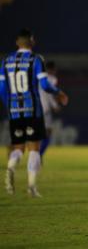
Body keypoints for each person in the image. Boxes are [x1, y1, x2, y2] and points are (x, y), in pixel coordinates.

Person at [0, 28, 69, 197]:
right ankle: (31, 186)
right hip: (33, 109)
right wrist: (59, 92)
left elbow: (1, 88)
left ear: (17, 42)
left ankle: (10, 168)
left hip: (14, 109)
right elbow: (45, 85)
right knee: (34, 149)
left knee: (18, 147)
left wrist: (8, 105)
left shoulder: (6, 60)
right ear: (32, 42)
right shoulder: (36, 59)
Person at [39, 61, 60, 159]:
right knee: (48, 132)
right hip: (45, 108)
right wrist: (55, 105)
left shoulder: (38, 77)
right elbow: (49, 94)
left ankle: (37, 154)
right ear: (52, 69)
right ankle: (39, 154)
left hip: (34, 107)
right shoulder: (52, 79)